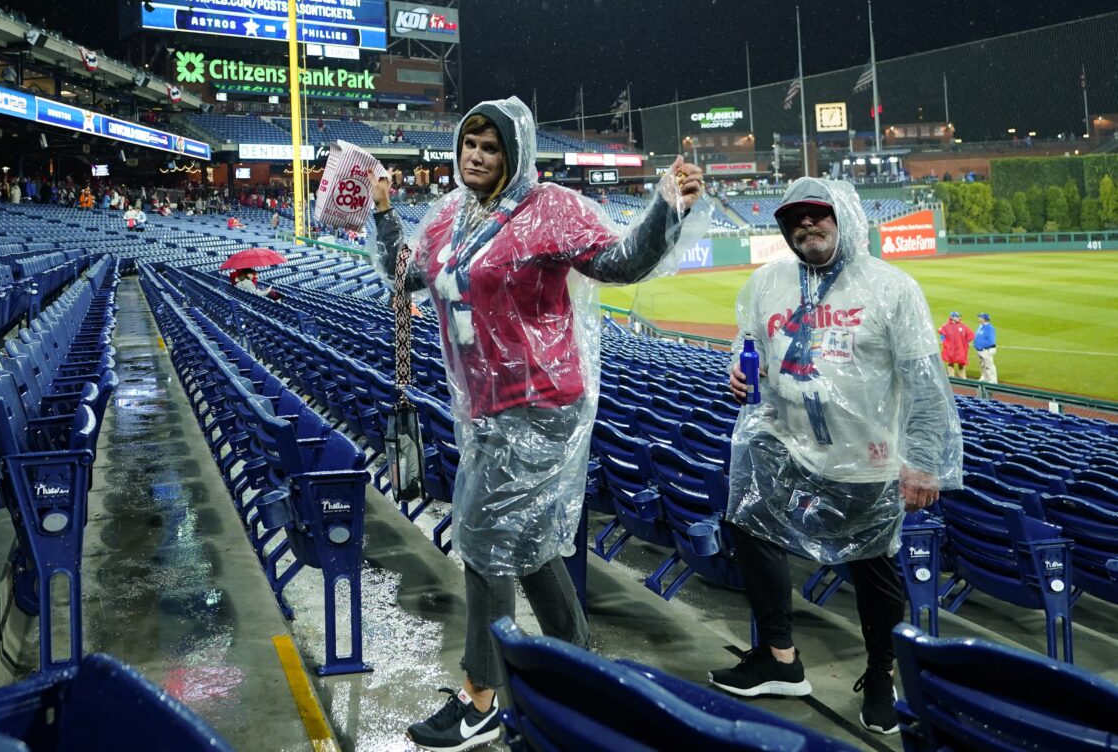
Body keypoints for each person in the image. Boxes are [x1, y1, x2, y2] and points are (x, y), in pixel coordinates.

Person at [370, 97, 710, 751]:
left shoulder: (549, 208)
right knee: (525, 547)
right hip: (489, 409)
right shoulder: (449, 221)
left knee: (486, 537)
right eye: (468, 143)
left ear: (515, 154)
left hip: (541, 404)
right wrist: (386, 215)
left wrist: (667, 206)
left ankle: (481, 697)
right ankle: (581, 671)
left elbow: (619, 262)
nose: (475, 155)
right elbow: (404, 275)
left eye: (491, 146)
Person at [714, 177, 963, 736]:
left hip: (864, 458)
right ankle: (779, 658)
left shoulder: (892, 287)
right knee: (749, 526)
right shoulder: (766, 282)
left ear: (844, 217)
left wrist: (923, 460)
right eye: (795, 217)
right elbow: (747, 340)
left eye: (818, 213)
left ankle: (880, 674)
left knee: (873, 569)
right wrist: (736, 365)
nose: (807, 224)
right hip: (782, 444)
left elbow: (925, 385)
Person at [938, 311, 973, 378]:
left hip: (960, 349)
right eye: (957, 316)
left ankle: (963, 379)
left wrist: (966, 344)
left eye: (959, 316)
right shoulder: (946, 326)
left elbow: (970, 335)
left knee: (961, 363)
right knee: (950, 362)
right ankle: (951, 378)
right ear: (951, 317)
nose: (959, 318)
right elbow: (942, 333)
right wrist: (945, 343)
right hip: (951, 349)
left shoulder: (962, 326)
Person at [974, 313, 998, 383]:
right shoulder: (981, 326)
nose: (978, 318)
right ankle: (984, 377)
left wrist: (983, 347)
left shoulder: (989, 328)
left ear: (984, 319)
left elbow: (991, 341)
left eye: (980, 317)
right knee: (982, 365)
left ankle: (993, 380)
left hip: (986, 350)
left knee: (989, 365)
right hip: (980, 350)